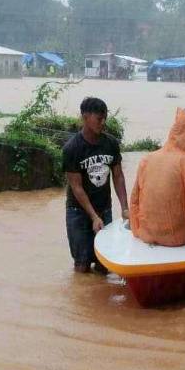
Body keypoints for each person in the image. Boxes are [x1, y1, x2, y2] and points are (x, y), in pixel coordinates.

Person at [63, 96, 128, 273]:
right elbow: (76, 187)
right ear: (85, 117)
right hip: (78, 212)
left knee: (104, 265)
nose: (103, 122)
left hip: (104, 209)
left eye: (105, 117)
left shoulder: (111, 144)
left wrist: (124, 208)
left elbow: (118, 176)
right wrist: (93, 217)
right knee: (82, 266)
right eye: (99, 118)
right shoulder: (72, 148)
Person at [129, 109, 185, 247]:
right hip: (176, 239)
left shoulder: (147, 158)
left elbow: (134, 200)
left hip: (145, 234)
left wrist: (136, 230)